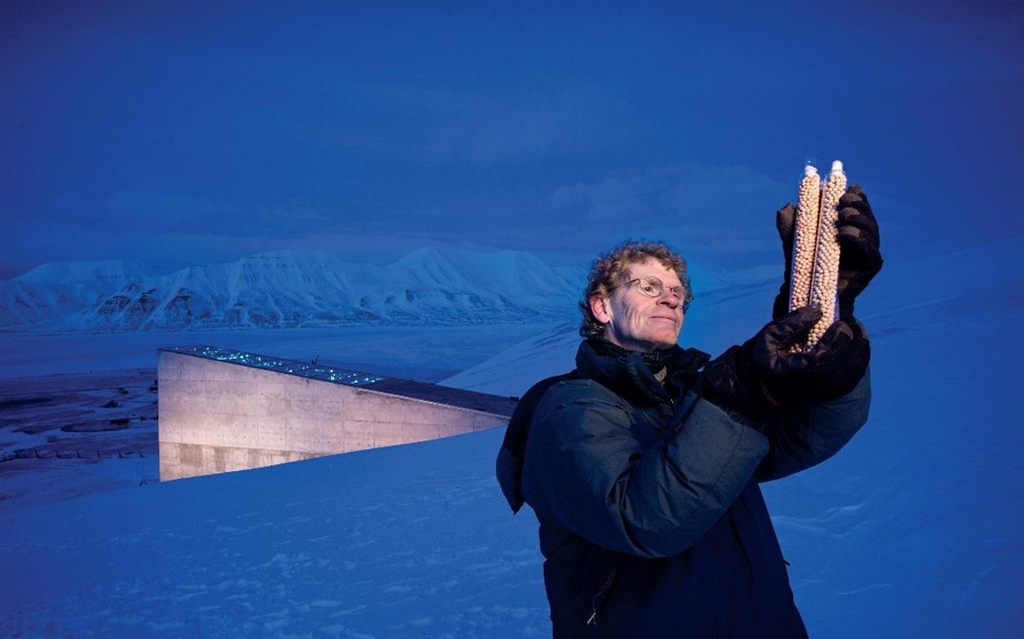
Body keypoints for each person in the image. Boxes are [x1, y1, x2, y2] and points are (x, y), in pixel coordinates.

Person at [496, 186, 883, 638]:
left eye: (680, 291)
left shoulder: (694, 396)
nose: (672, 299)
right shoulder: (567, 408)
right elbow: (647, 520)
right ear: (602, 306)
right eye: (649, 287)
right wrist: (741, 390)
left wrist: (830, 318)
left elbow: (809, 433)